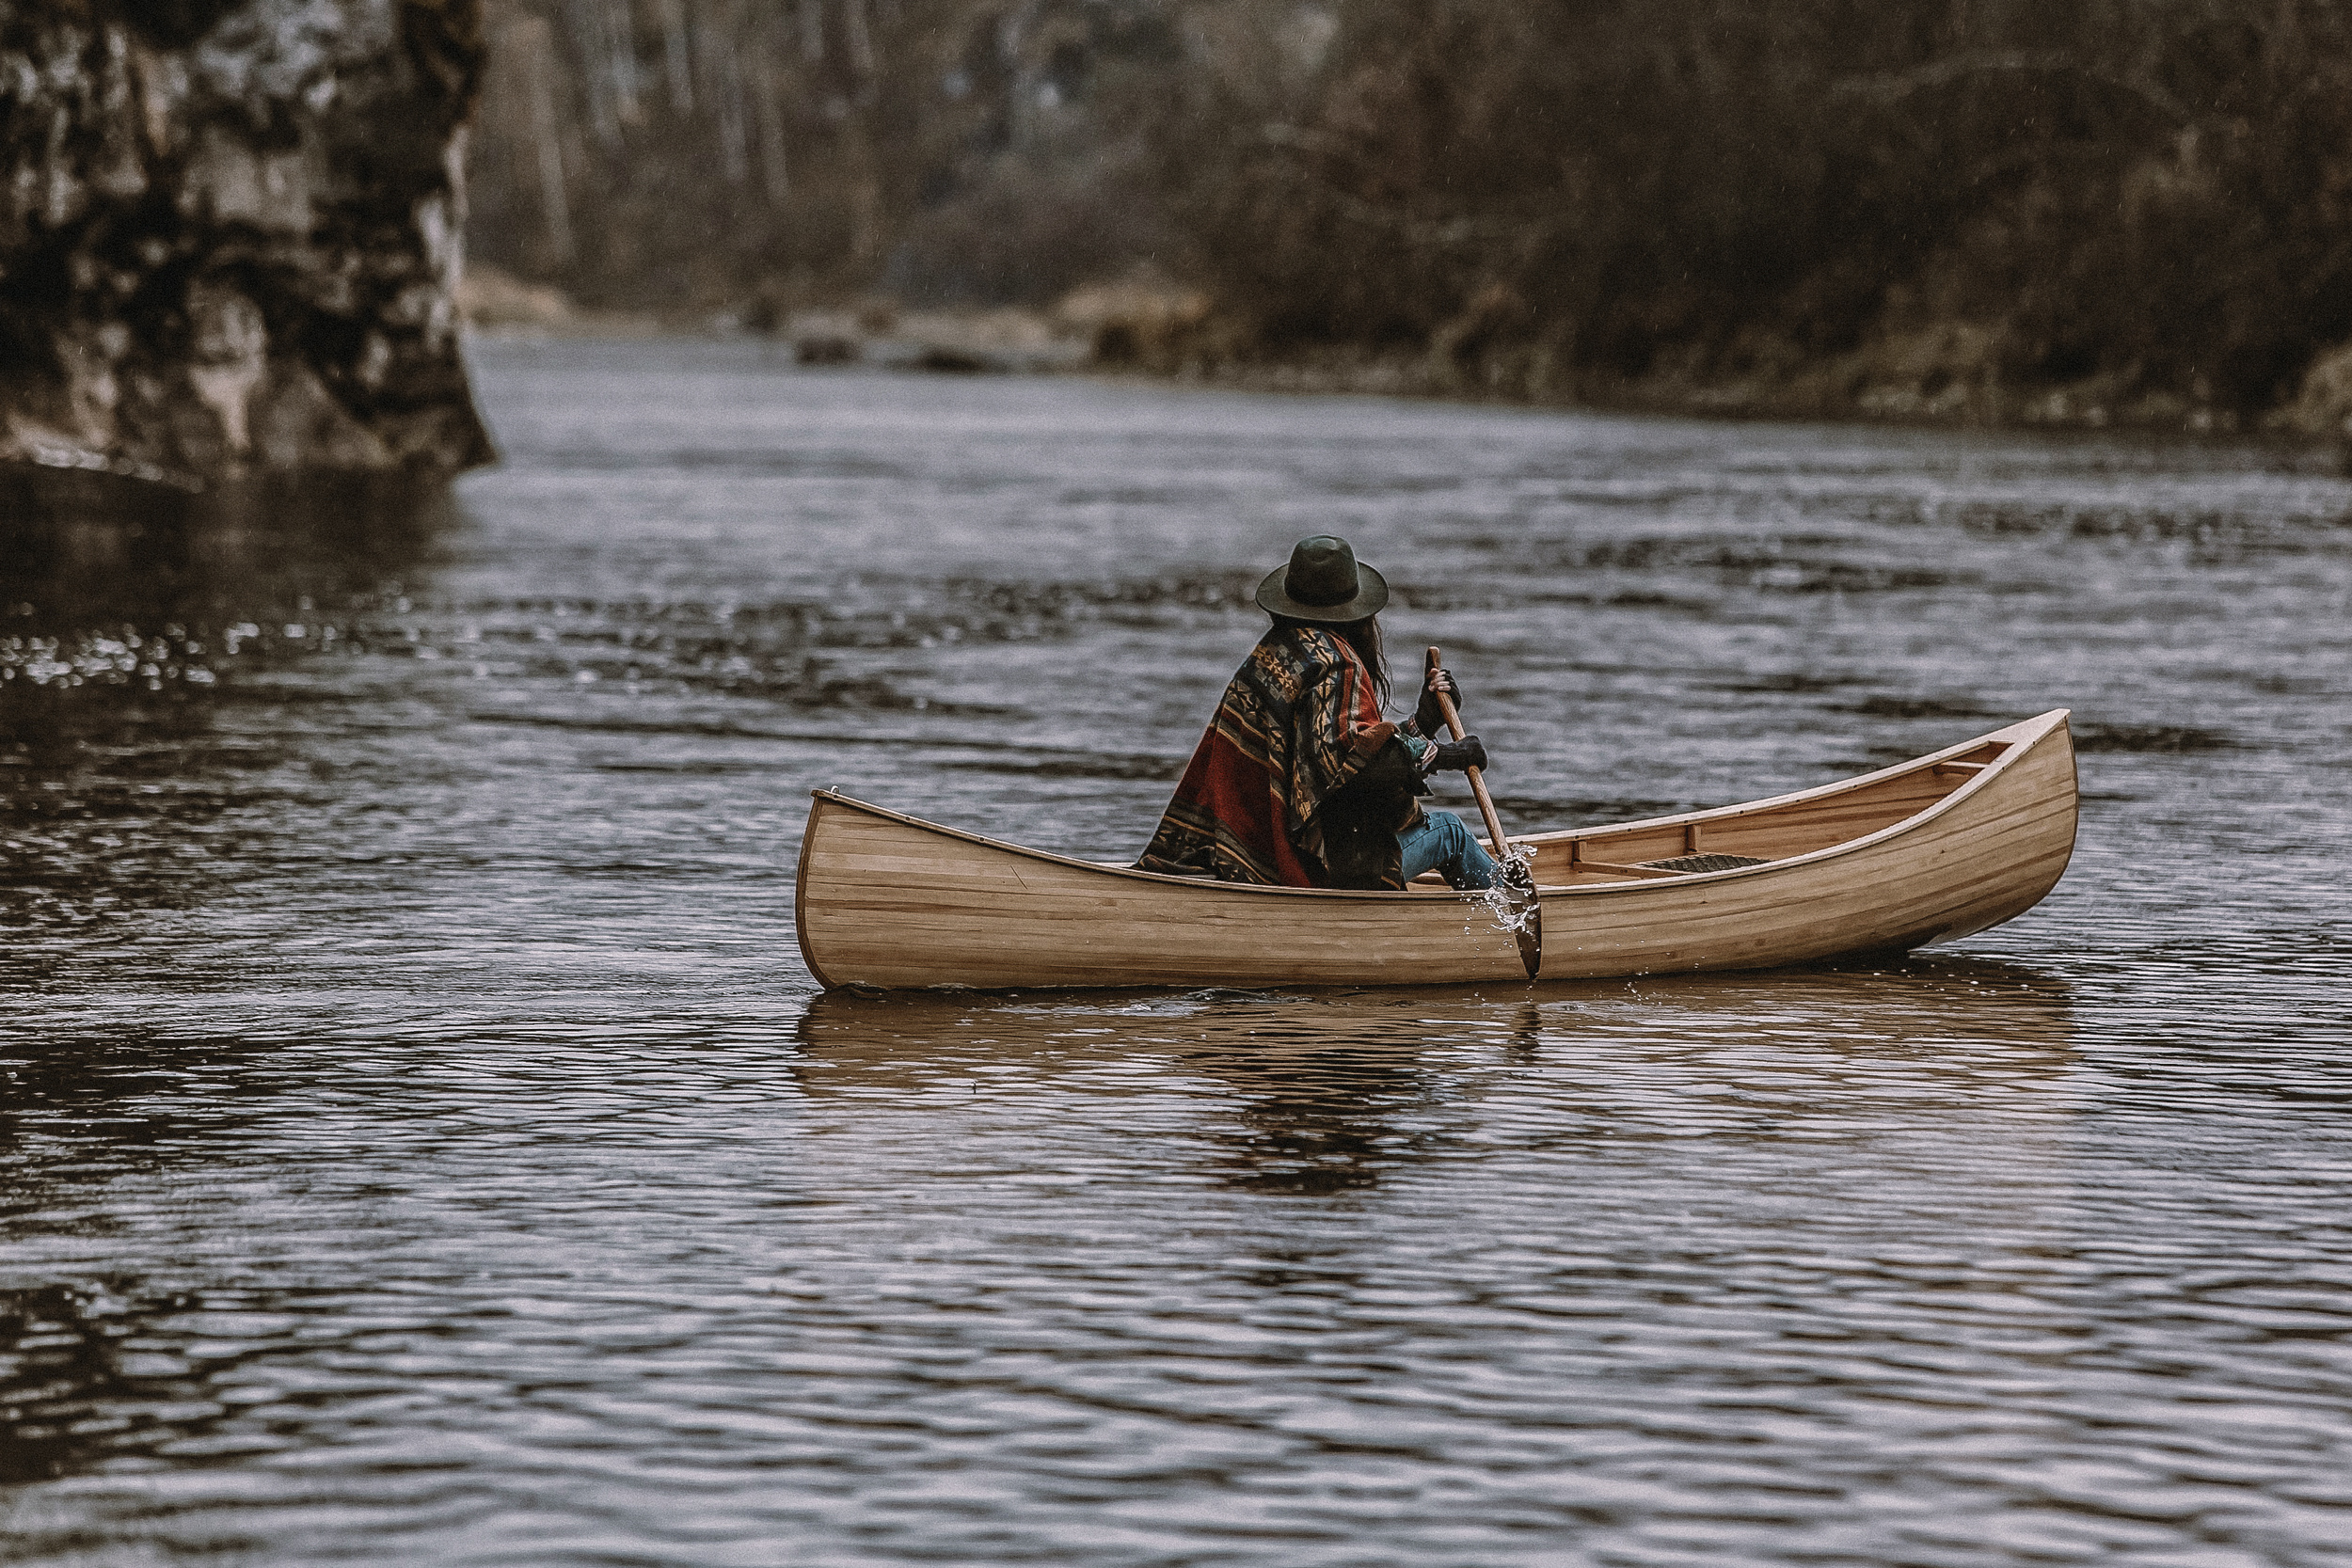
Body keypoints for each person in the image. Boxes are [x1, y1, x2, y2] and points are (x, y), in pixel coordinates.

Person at [1138, 535, 1499, 892]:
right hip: (1320, 863)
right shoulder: (1337, 665)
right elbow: (1360, 770)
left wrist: (1424, 721)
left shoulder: (1275, 652)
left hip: (1252, 852)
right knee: (1451, 833)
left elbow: (1338, 756)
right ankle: (1514, 916)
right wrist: (1447, 755)